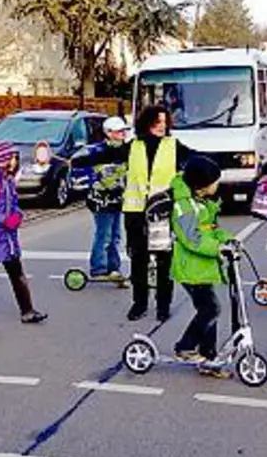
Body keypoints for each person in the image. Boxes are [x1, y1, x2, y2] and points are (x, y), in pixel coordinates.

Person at [76, 104, 194, 321]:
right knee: (138, 260)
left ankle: (163, 306)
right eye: (158, 122)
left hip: (161, 212)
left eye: (165, 122)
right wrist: (74, 162)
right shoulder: (134, 146)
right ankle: (139, 304)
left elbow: (195, 160)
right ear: (147, 123)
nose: (162, 126)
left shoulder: (173, 145)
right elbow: (108, 155)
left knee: (163, 260)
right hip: (136, 212)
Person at [0, 140, 48, 325]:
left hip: (6, 237)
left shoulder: (7, 180)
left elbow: (13, 204)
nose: (15, 160)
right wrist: (3, 220)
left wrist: (17, 216)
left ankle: (27, 311)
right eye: (13, 157)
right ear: (3, 160)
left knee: (16, 273)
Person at [169, 156, 233, 375]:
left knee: (210, 311)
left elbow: (211, 228)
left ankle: (209, 357)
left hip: (203, 266)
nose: (217, 185)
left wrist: (227, 240)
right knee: (210, 309)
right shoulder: (184, 206)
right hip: (190, 268)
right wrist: (217, 248)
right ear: (201, 185)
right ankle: (185, 347)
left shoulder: (203, 203)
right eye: (215, 181)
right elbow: (192, 238)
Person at [82, 116, 130, 281]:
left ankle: (113, 268)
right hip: (101, 200)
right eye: (119, 131)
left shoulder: (126, 150)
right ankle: (98, 268)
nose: (123, 134)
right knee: (104, 234)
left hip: (117, 200)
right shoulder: (99, 151)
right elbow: (106, 177)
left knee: (116, 235)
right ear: (109, 133)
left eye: (124, 130)